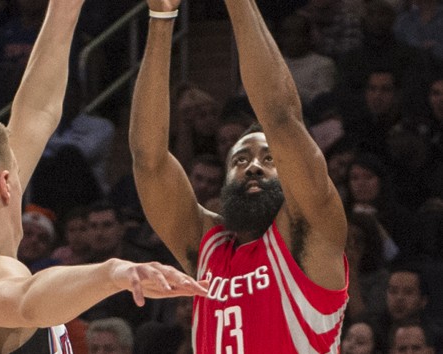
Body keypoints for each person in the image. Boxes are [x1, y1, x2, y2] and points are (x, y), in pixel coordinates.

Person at [0, 0, 208, 352]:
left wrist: (64, 8)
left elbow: (36, 113)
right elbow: (27, 298)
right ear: (5, 184)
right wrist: (113, 272)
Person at [129, 0, 348, 352]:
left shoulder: (311, 231)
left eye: (269, 157)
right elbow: (148, 161)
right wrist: (161, 17)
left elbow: (281, 116)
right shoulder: (207, 245)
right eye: (240, 159)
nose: (254, 166)